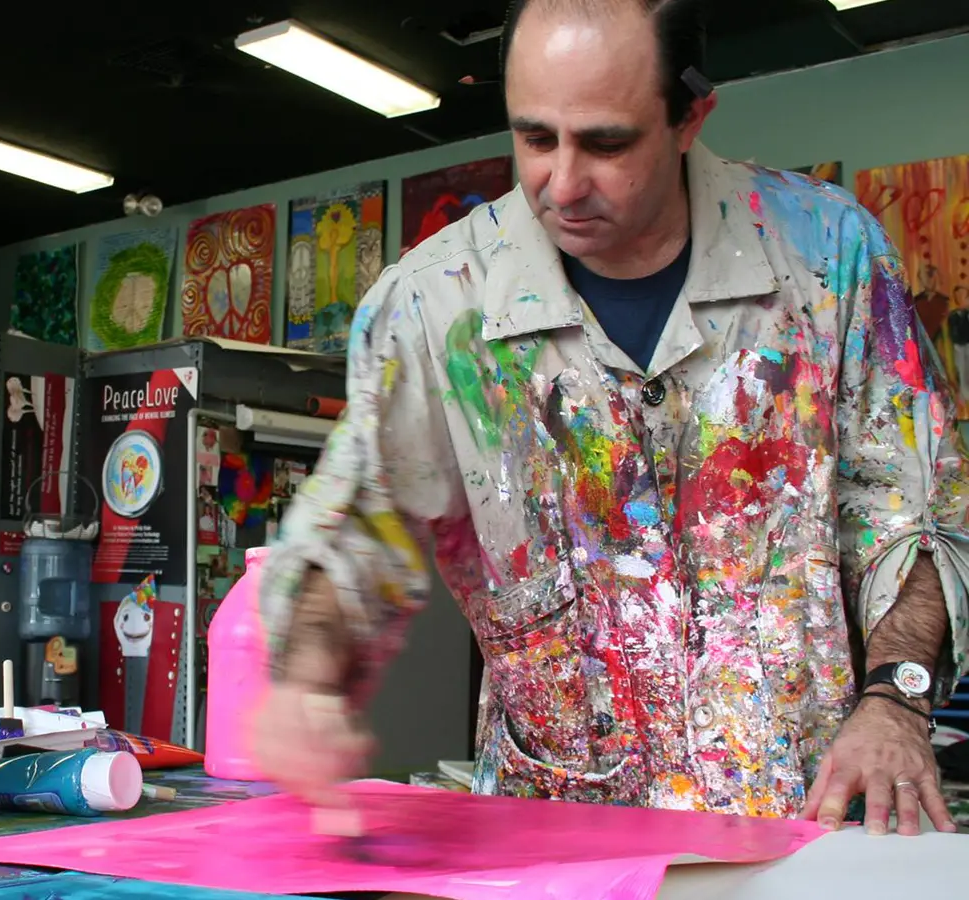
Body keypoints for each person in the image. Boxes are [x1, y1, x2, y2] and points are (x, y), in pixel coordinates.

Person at [253, 0, 969, 837]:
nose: (561, 184)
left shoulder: (827, 255)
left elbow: (915, 510)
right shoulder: (431, 304)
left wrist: (896, 702)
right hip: (556, 839)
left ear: (690, 115)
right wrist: (305, 678)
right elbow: (358, 527)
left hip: (806, 827)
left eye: (605, 143)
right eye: (534, 138)